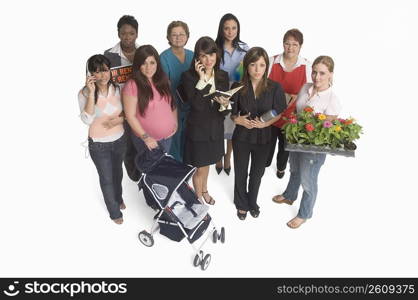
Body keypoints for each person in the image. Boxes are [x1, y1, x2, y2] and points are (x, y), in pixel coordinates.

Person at [272, 56, 341, 229]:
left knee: (308, 180)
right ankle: (289, 195)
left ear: (331, 75)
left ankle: (304, 214)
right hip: (297, 140)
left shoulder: (332, 99)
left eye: (322, 73)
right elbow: (296, 110)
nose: (317, 77)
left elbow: (327, 128)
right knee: (294, 169)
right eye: (315, 72)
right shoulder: (305, 87)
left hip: (314, 148)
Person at [231, 47, 286, 220]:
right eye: (253, 65)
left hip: (264, 138)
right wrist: (237, 120)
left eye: (262, 65)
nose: (257, 70)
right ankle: (241, 203)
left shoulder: (275, 87)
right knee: (240, 171)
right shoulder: (237, 87)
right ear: (247, 66)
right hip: (241, 137)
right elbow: (232, 113)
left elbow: (279, 112)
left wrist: (265, 124)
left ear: (266, 67)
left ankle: (252, 201)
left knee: (256, 174)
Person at [179, 36, 230, 205]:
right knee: (199, 168)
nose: (208, 60)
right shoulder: (188, 77)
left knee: (207, 164)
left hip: (215, 129)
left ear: (217, 55)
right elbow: (197, 106)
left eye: (211, 55)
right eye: (203, 56)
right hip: (198, 130)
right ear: (197, 59)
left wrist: (224, 105)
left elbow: (224, 112)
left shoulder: (222, 76)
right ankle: (198, 199)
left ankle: (205, 190)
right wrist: (202, 80)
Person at [78, 55, 126, 224]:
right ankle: (114, 213)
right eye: (97, 72)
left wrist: (120, 120)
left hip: (120, 140)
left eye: (105, 70)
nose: (102, 76)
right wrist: (91, 94)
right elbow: (87, 120)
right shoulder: (84, 93)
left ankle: (118, 198)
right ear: (91, 74)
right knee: (106, 178)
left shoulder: (118, 88)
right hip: (99, 145)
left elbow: (127, 112)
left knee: (118, 174)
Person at [266, 29, 312, 179]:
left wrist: (298, 96)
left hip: (291, 118)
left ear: (300, 46)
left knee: (285, 147)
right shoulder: (272, 61)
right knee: (267, 145)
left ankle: (280, 167)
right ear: (283, 44)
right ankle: (265, 163)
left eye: (295, 44)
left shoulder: (307, 66)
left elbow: (311, 92)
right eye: (287, 44)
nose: (290, 48)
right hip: (270, 114)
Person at [123, 45, 177, 163]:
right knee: (153, 176)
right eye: (144, 63)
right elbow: (130, 117)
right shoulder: (132, 85)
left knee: (165, 173)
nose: (148, 68)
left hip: (167, 138)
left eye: (152, 62)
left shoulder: (164, 81)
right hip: (147, 141)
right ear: (138, 65)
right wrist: (146, 138)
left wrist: (175, 122)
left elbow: (172, 105)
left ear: (157, 63)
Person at [104, 15, 140, 181]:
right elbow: (103, 85)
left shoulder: (143, 53)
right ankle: (134, 176)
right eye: (124, 33)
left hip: (141, 106)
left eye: (131, 33)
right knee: (127, 145)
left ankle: (146, 174)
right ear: (118, 33)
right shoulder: (109, 56)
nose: (127, 37)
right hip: (120, 109)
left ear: (137, 34)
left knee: (143, 140)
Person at [214, 13, 249, 175]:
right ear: (221, 29)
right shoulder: (214, 48)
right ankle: (218, 157)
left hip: (237, 91)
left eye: (234, 28)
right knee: (217, 125)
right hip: (217, 92)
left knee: (232, 125)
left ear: (238, 29)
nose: (230, 31)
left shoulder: (244, 48)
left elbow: (249, 72)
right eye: (226, 28)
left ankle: (228, 157)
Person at [160, 21, 194, 162]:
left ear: (187, 36)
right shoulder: (164, 57)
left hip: (192, 106)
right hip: (172, 106)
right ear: (168, 37)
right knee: (175, 141)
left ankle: (188, 172)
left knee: (190, 140)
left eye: (181, 34)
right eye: (174, 35)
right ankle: (177, 175)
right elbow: (163, 87)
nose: (178, 37)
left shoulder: (193, 55)